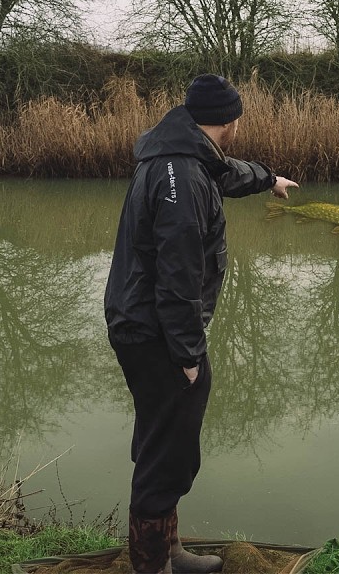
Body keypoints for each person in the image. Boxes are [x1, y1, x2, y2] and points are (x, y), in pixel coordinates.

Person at [104, 74, 298, 574]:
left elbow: (224, 174)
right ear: (229, 121)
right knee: (166, 451)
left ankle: (168, 552)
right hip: (155, 332)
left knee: (164, 439)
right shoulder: (185, 179)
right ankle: (153, 566)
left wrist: (267, 178)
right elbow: (178, 276)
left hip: (143, 324)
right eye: (239, 117)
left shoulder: (181, 156)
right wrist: (188, 355)